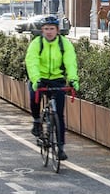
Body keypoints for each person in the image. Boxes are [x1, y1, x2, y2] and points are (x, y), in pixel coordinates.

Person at [25, 14, 79, 161]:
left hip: (57, 79)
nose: (49, 32)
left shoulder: (64, 44)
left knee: (59, 115)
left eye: (52, 29)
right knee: (33, 96)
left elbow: (70, 62)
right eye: (46, 29)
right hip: (40, 78)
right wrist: (36, 80)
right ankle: (36, 121)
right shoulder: (37, 43)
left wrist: (73, 79)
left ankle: (60, 147)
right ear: (42, 30)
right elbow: (32, 62)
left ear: (57, 30)